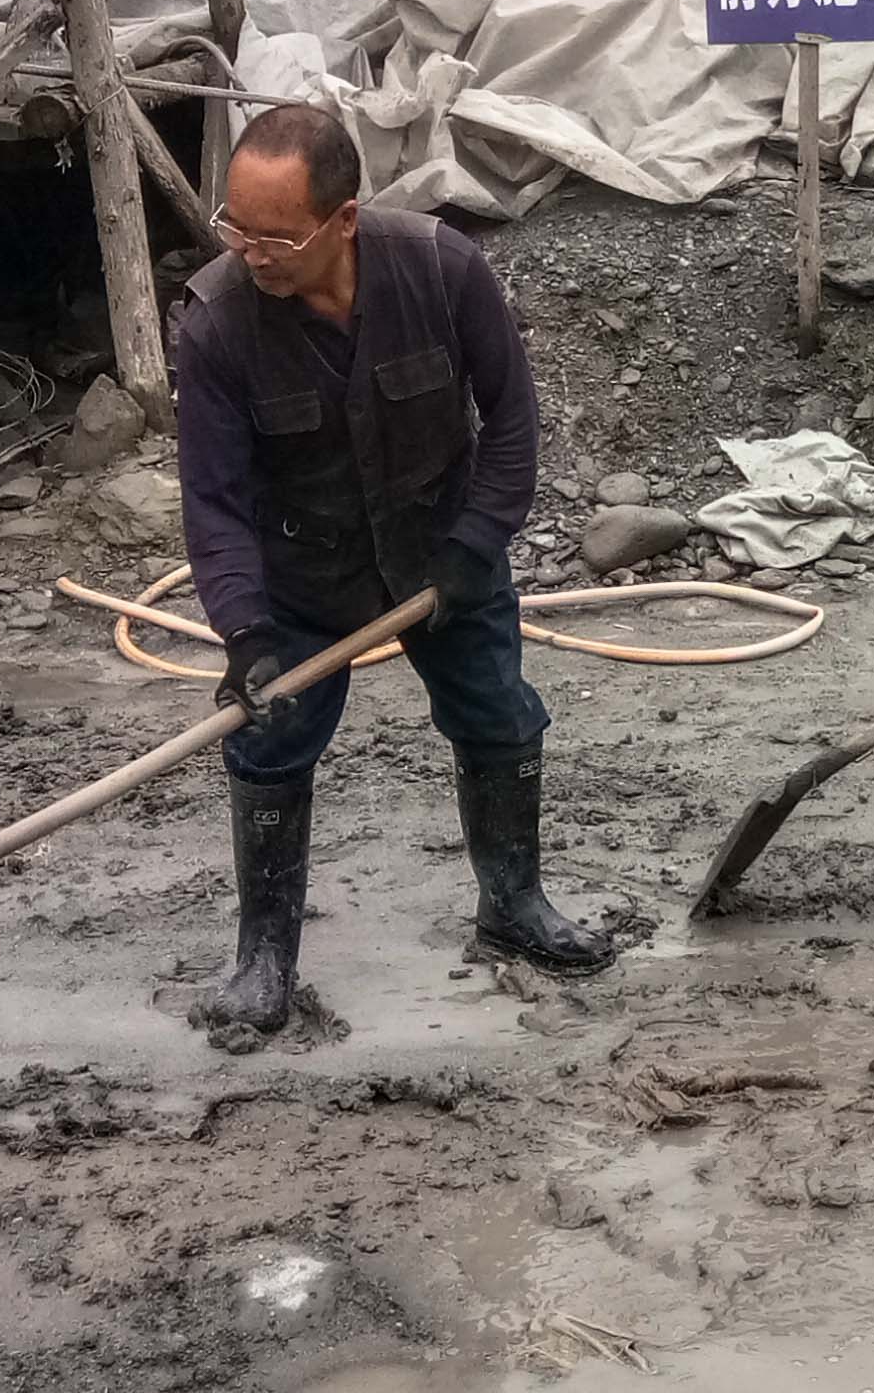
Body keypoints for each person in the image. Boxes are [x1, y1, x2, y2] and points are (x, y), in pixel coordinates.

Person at [168, 102, 612, 1037]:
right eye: (233, 227)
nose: (251, 252)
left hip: (439, 548)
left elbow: (513, 427)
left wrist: (471, 549)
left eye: (273, 235)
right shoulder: (217, 328)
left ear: (343, 219)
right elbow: (214, 501)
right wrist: (244, 630)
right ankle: (264, 961)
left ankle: (512, 904)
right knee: (268, 743)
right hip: (301, 572)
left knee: (499, 714)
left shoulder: (444, 270)